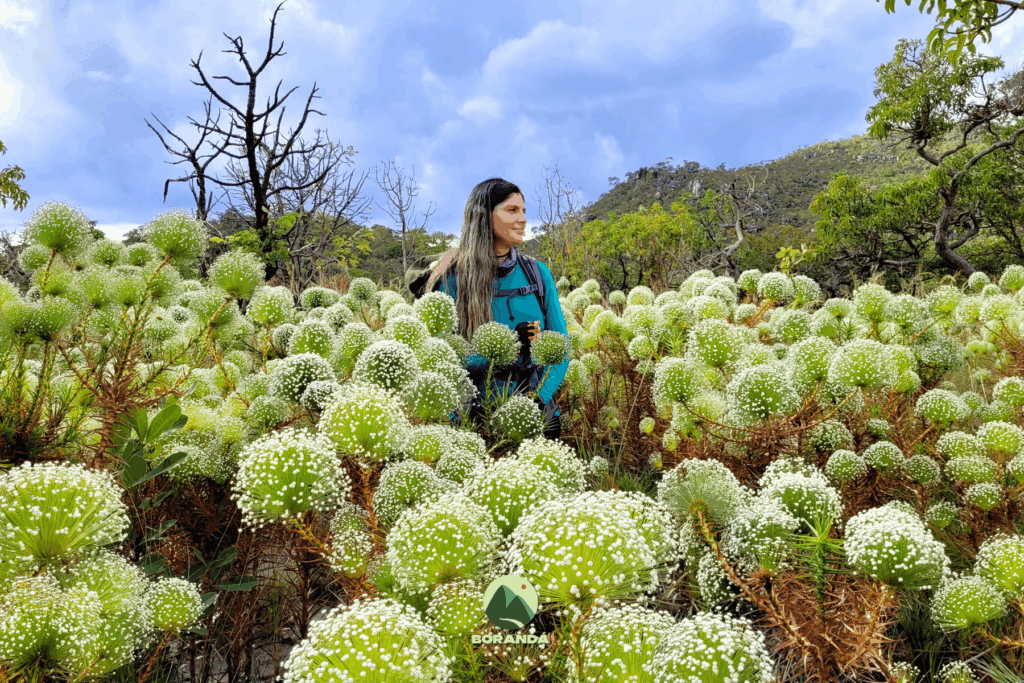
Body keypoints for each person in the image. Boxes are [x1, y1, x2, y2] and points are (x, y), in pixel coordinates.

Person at [423, 177, 569, 439]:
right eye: (512, 210)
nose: (523, 219)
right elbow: (442, 358)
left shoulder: (538, 274)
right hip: (475, 422)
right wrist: (513, 348)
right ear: (483, 216)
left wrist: (537, 400)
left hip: (537, 418)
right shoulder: (451, 280)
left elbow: (562, 350)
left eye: (523, 210)